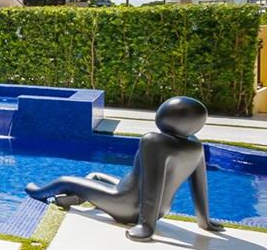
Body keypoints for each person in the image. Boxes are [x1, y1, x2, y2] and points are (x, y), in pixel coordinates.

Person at [26, 95, 223, 240]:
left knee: (65, 181)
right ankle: (75, 198)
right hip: (160, 209)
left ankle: (38, 192)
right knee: (94, 175)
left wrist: (146, 226)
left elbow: (153, 184)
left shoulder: (154, 141)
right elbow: (200, 185)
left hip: (126, 204)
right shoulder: (196, 146)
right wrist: (205, 220)